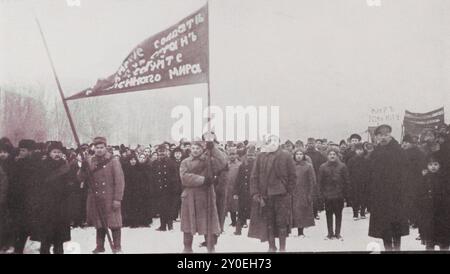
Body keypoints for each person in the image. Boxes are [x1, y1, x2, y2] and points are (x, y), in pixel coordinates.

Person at [248, 135, 296, 252]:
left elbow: (292, 176)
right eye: (269, 141)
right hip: (265, 195)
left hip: (281, 195)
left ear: (278, 142)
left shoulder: (285, 156)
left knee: (281, 222)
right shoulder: (261, 156)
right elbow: (254, 176)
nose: (272, 143)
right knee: (268, 221)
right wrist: (255, 193)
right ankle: (271, 246)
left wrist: (288, 191)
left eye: (274, 141)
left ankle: (282, 248)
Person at [179, 135, 227, 253]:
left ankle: (211, 248)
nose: (195, 150)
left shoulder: (209, 160)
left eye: (198, 148)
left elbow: (223, 162)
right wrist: (203, 180)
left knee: (208, 224)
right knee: (188, 224)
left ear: (202, 149)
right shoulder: (185, 162)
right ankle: (187, 248)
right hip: (189, 196)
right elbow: (184, 177)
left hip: (206, 196)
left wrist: (213, 149)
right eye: (193, 148)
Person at [78, 137, 125, 254]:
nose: (99, 150)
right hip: (96, 198)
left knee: (114, 224)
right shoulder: (89, 161)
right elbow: (80, 178)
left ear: (105, 147)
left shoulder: (113, 161)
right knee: (99, 224)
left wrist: (117, 199)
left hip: (110, 197)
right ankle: (100, 246)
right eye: (97, 147)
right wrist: (83, 168)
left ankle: (117, 246)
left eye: (101, 147)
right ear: (94, 148)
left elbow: (119, 181)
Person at [368, 124, 409, 251]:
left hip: (397, 195)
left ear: (391, 135)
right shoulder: (375, 153)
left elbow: (406, 174)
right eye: (380, 135)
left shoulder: (399, 151)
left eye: (386, 134)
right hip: (380, 196)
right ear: (376, 137)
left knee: (397, 226)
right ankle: (388, 249)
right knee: (384, 226)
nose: (383, 137)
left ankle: (397, 249)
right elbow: (370, 175)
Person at [35, 141, 72, 254]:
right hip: (47, 206)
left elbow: (70, 184)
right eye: (54, 152)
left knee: (59, 239)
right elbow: (38, 184)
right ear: (49, 153)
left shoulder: (65, 166)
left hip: (61, 206)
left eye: (59, 152)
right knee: (46, 238)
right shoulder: (43, 165)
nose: (57, 154)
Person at [8, 139, 41, 254]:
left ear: (30, 151)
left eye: (23, 150)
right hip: (18, 200)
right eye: (20, 150)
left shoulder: (35, 165)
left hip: (29, 201)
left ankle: (20, 249)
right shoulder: (17, 163)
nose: (20, 152)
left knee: (25, 227)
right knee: (20, 227)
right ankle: (18, 249)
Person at [417, 155, 450, 251]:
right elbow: (420, 194)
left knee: (443, 241)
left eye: (436, 164)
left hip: (442, 214)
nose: (433, 167)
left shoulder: (445, 178)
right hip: (428, 214)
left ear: (440, 165)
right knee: (430, 240)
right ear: (427, 166)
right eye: (430, 164)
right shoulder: (425, 179)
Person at [318, 148, 349, 240]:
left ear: (337, 155)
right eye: (330, 154)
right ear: (327, 156)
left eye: (334, 154)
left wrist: (346, 195)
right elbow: (320, 182)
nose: (332, 156)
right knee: (328, 214)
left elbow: (346, 181)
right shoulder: (322, 167)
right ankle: (330, 233)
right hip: (327, 195)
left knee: (339, 214)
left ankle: (338, 233)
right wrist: (321, 195)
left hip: (339, 195)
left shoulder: (342, 166)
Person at [401, 134, 426, 228]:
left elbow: (422, 164)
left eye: (407, 142)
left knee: (414, 200)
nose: (405, 144)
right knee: (406, 200)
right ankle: (409, 219)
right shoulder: (402, 152)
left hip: (415, 180)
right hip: (404, 180)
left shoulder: (418, 152)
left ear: (412, 143)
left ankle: (415, 220)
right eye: (404, 142)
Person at [151, 144, 178, 231]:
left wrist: (175, 189)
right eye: (160, 152)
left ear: (166, 152)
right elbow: (153, 177)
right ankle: (162, 226)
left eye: (163, 152)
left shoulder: (171, 162)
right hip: (159, 189)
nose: (161, 154)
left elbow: (175, 177)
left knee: (169, 208)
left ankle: (170, 225)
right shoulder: (155, 163)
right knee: (161, 208)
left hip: (169, 190)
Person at [122, 155, 152, 228]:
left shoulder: (140, 168)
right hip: (129, 191)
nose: (133, 161)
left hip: (139, 191)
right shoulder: (126, 169)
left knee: (141, 206)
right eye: (131, 160)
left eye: (134, 159)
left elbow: (144, 180)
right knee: (131, 207)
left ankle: (143, 222)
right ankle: (133, 222)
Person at [233, 145, 256, 235]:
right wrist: (235, 192)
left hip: (253, 192)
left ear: (255, 156)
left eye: (252, 155)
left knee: (254, 212)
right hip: (243, 193)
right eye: (249, 155)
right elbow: (237, 179)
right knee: (241, 211)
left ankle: (254, 231)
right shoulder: (242, 166)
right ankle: (238, 230)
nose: (250, 157)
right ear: (246, 156)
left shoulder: (257, 166)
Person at [292, 149, 316, 237]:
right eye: (297, 154)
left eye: (300, 154)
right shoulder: (291, 166)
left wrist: (310, 193)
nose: (299, 156)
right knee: (293, 211)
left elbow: (312, 181)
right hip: (293, 192)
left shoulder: (308, 166)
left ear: (303, 155)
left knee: (301, 211)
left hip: (303, 192)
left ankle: (300, 231)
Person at [347, 143, 370, 220]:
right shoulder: (351, 161)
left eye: (361, 150)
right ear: (355, 151)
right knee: (355, 198)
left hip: (364, 182)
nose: (359, 151)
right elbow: (348, 172)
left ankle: (363, 212)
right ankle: (355, 214)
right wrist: (349, 182)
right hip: (354, 182)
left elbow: (368, 172)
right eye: (358, 150)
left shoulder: (366, 160)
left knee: (364, 198)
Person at [305, 137, 327, 220]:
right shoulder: (305, 154)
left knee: (315, 196)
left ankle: (315, 212)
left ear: (314, 144)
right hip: (306, 177)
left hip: (317, 176)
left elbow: (323, 164)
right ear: (307, 144)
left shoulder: (319, 154)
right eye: (309, 143)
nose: (311, 145)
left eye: (312, 143)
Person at [224, 147, 241, 227]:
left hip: (237, 187)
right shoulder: (226, 164)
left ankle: (241, 221)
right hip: (228, 187)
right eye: (230, 154)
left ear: (237, 155)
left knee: (239, 205)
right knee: (231, 205)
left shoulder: (240, 164)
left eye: (233, 154)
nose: (232, 156)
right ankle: (233, 221)